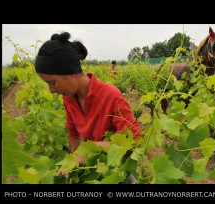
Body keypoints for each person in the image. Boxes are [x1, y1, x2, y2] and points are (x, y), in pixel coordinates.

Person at [34, 32, 142, 172]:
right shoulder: (68, 99)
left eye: (52, 83)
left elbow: (135, 140)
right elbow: (73, 135)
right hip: (93, 168)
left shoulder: (110, 96)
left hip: (117, 171)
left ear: (70, 72)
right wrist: (72, 164)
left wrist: (93, 148)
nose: (51, 91)